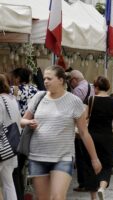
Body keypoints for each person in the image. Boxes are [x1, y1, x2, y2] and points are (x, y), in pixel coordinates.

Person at [21, 65, 101, 199]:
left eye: (49, 78)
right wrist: (29, 122)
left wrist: (94, 158)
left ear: (61, 80)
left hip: (63, 157)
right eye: (45, 78)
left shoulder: (74, 101)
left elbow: (83, 133)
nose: (45, 81)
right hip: (37, 156)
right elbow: (22, 121)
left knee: (57, 197)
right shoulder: (38, 97)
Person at [86, 76, 113, 200]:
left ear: (96, 87)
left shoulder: (90, 99)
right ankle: (102, 187)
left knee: (91, 165)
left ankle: (93, 197)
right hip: (107, 137)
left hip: (90, 137)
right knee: (106, 165)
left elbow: (84, 117)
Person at [10, 67, 38, 200]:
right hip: (33, 131)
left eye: (14, 77)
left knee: (16, 168)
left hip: (17, 132)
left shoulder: (12, 91)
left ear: (18, 78)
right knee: (29, 166)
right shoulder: (36, 90)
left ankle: (19, 195)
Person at [68, 70, 95, 192]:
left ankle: (83, 183)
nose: (70, 84)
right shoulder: (90, 86)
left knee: (80, 156)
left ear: (74, 79)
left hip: (79, 126)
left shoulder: (78, 90)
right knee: (86, 155)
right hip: (88, 123)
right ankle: (89, 182)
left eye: (70, 81)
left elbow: (72, 109)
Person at [0, 74, 21, 200]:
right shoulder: (12, 99)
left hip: (2, 147)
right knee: (8, 183)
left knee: (8, 182)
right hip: (11, 146)